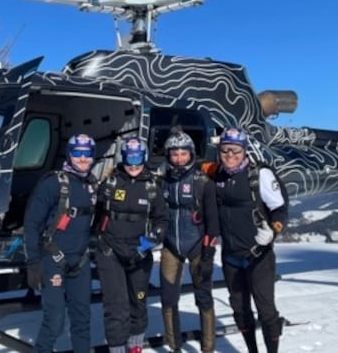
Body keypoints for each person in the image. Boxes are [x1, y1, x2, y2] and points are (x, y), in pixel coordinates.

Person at [213, 127, 289, 353]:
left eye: (235, 151)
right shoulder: (217, 174)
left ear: (244, 151)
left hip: (258, 255)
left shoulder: (259, 175)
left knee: (266, 311)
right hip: (231, 256)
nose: (230, 155)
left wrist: (273, 231)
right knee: (239, 309)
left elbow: (280, 209)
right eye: (225, 150)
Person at [24, 133, 99, 353]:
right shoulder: (54, 183)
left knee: (82, 319)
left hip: (81, 260)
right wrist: (33, 262)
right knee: (54, 320)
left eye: (87, 154)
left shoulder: (92, 185)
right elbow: (31, 224)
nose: (83, 159)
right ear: (69, 154)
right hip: (54, 259)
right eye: (77, 153)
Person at [95, 136, 168, 353]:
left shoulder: (152, 187)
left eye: (138, 162)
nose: (133, 167)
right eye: (129, 162)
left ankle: (135, 345)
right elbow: (94, 214)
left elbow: (161, 221)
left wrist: (145, 246)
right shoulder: (110, 183)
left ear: (144, 159)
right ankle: (117, 347)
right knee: (116, 306)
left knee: (138, 302)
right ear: (122, 160)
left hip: (139, 252)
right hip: (111, 251)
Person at [159, 127, 219, 353]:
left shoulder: (202, 182)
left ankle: (208, 348)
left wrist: (208, 253)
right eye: (174, 154)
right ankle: (174, 346)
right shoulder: (162, 180)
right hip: (170, 245)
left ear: (191, 154)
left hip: (197, 245)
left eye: (183, 153)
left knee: (203, 296)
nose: (179, 158)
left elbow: (213, 222)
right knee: (168, 298)